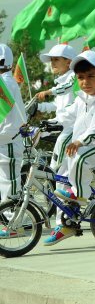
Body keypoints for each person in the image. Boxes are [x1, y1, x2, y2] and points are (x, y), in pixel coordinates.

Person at [44, 51, 95, 245]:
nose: (85, 82)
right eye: (80, 78)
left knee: (80, 158)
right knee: (60, 181)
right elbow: (68, 116)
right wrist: (46, 124)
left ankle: (80, 193)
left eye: (91, 76)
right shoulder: (82, 98)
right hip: (84, 144)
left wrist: (80, 141)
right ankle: (66, 224)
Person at [36, 44, 77, 175]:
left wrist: (49, 91)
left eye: (56, 59)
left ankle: (54, 178)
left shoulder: (74, 76)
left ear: (69, 62)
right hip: (61, 121)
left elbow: (67, 87)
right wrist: (38, 107)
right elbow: (56, 105)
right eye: (52, 60)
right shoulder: (60, 80)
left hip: (73, 124)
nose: (52, 63)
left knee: (61, 143)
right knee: (35, 133)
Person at [0, 44, 26, 204]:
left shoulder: (6, 83)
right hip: (5, 140)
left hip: (8, 141)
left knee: (10, 186)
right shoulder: (5, 81)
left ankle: (14, 226)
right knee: (4, 185)